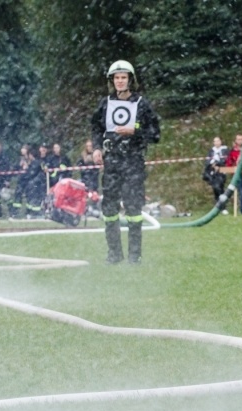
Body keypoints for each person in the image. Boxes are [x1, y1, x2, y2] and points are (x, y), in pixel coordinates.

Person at [92, 59, 161, 264]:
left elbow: (155, 134)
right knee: (110, 209)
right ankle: (114, 253)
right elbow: (96, 127)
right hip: (112, 161)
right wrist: (96, 148)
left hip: (133, 161)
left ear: (130, 80)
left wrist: (135, 131)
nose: (120, 81)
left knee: (133, 209)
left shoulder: (142, 104)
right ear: (112, 80)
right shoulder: (105, 103)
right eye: (116, 78)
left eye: (123, 78)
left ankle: (134, 255)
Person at [225, 133, 242, 213]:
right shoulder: (232, 151)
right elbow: (229, 162)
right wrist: (231, 170)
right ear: (236, 141)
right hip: (238, 173)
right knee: (241, 192)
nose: (240, 141)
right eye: (238, 139)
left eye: (241, 139)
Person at [202, 136, 229, 214]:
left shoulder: (225, 150)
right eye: (215, 141)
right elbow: (207, 161)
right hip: (212, 172)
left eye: (218, 141)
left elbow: (225, 160)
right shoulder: (211, 151)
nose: (216, 143)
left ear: (221, 141)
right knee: (215, 189)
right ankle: (218, 206)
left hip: (222, 171)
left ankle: (223, 207)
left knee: (220, 188)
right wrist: (212, 165)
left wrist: (218, 164)